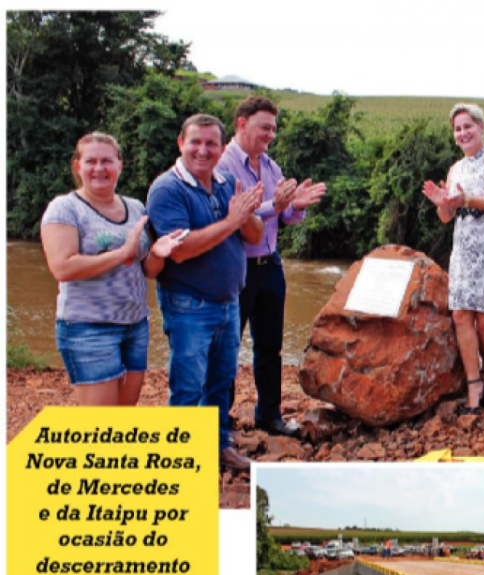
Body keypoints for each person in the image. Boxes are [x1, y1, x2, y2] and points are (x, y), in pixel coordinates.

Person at [146, 114, 265, 471]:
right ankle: (180, 458)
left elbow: (255, 235)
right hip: (188, 305)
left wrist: (245, 214)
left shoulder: (227, 182)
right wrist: (231, 221)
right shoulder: (167, 189)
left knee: (221, 382)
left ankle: (218, 445)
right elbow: (180, 250)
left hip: (229, 302)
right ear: (180, 144)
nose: (202, 150)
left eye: (211, 143)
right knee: (187, 386)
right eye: (195, 142)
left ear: (221, 148)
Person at [40, 132, 182, 406]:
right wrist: (122, 253)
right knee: (103, 422)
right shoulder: (64, 208)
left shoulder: (136, 207)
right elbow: (62, 267)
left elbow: (149, 271)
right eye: (90, 161)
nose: (99, 168)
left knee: (123, 417)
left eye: (106, 161)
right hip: (87, 328)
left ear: (120, 165)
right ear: (77, 166)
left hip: (134, 325)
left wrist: (157, 253)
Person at [216, 96, 326, 437]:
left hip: (271, 266)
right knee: (227, 347)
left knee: (269, 347)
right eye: (265, 127)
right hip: (235, 267)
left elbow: (284, 217)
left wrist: (296, 206)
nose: (270, 135)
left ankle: (269, 415)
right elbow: (234, 215)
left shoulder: (271, 166)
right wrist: (273, 205)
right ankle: (221, 420)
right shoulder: (222, 165)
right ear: (241, 124)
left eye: (273, 129)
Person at [422, 103, 484, 413]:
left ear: (481, 127)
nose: (462, 133)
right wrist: (443, 202)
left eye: (468, 126)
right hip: (464, 248)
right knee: (461, 315)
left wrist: (467, 199)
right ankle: (473, 383)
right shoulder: (455, 169)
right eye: (457, 129)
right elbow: (446, 217)